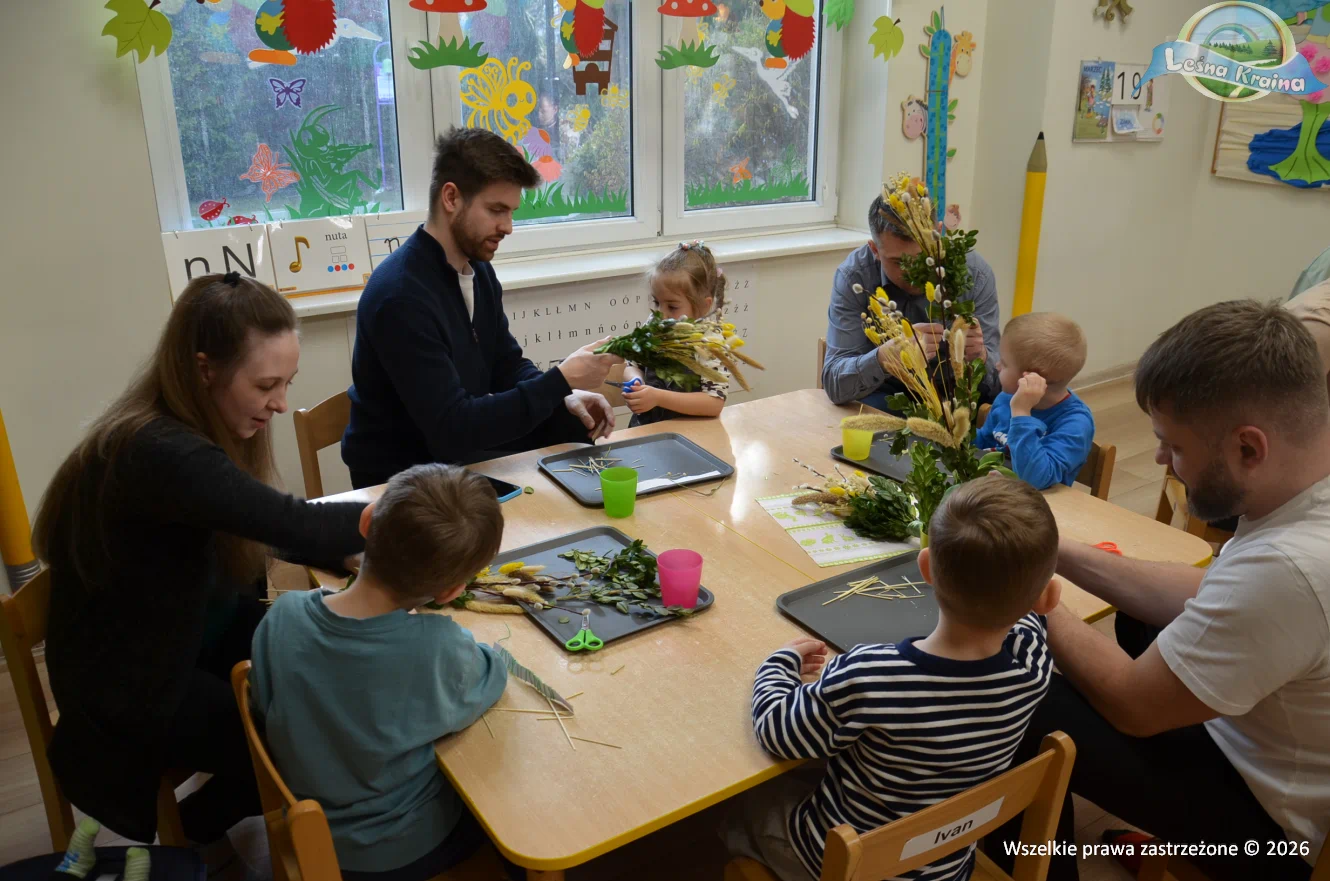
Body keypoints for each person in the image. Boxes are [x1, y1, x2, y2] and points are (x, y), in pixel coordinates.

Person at [30, 273, 367, 874]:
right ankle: (189, 834)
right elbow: (293, 524)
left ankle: (208, 830)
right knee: (308, 736)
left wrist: (337, 543)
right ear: (204, 369)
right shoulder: (160, 451)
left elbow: (256, 522)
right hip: (133, 680)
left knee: (324, 675)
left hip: (179, 634)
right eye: (265, 385)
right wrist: (421, 517)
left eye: (286, 384)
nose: (280, 403)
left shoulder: (179, 432)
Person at [992, 300, 1330, 881]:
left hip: (1275, 842)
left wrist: (1026, 588)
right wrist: (1054, 549)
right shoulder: (1301, 491)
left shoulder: (1288, 569)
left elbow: (1133, 705)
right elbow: (1214, 589)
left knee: (1015, 692)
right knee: (1139, 618)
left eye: (1173, 446)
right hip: (1272, 749)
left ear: (1249, 448)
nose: (1160, 460)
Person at [724, 478, 1061, 881]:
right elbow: (1031, 621)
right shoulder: (1032, 661)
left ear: (925, 568)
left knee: (746, 802)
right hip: (946, 868)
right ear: (1048, 598)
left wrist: (778, 666)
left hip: (846, 868)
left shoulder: (869, 675)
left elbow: (778, 733)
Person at [250, 464, 507, 881]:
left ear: (366, 522)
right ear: (450, 591)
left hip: (307, 829)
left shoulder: (283, 615)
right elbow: (492, 674)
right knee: (505, 815)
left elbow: (263, 703)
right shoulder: (438, 648)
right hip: (398, 851)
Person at [341, 127, 621, 488]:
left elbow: (507, 364)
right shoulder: (400, 296)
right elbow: (452, 428)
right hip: (404, 475)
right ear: (451, 198)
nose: (508, 227)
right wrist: (559, 381)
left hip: (452, 455)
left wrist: (564, 396)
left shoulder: (478, 270)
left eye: (511, 212)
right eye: (496, 210)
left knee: (570, 422)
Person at [823, 195, 1001, 412]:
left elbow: (999, 387)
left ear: (938, 235)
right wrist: (883, 358)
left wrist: (980, 356)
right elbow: (834, 385)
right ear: (874, 250)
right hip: (883, 396)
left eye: (922, 258)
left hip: (956, 399)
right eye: (898, 262)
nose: (912, 275)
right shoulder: (855, 277)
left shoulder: (974, 274)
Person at [975, 312, 1095, 490]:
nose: (997, 365)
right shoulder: (1006, 398)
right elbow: (983, 443)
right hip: (993, 490)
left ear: (1031, 377)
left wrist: (1021, 414)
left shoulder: (1076, 424)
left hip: (1035, 502)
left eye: (1005, 363)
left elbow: (1035, 480)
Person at [622, 241, 731, 426]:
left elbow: (714, 403)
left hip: (693, 434)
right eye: (657, 303)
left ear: (704, 305)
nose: (661, 314)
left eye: (672, 307)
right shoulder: (654, 323)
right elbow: (631, 365)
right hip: (647, 429)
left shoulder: (710, 342)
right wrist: (636, 382)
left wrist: (658, 397)